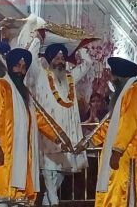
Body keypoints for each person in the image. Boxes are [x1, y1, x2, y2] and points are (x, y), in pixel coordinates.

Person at [0, 48, 71, 207]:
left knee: (19, 201)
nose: (21, 70)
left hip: (22, 156)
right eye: (17, 66)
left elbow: (40, 119)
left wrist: (60, 135)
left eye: (24, 66)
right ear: (10, 66)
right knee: (0, 199)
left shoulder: (26, 95)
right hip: (3, 154)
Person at [22, 28, 94, 206]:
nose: (60, 61)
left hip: (68, 132)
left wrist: (80, 46)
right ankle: (53, 200)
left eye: (63, 58)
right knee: (48, 166)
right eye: (57, 58)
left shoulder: (70, 77)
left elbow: (87, 64)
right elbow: (31, 60)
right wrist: (37, 40)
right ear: (49, 60)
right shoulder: (40, 75)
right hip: (49, 130)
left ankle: (48, 201)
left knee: (62, 169)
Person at [76, 56, 137, 207]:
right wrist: (89, 141)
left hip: (128, 157)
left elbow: (130, 123)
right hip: (121, 156)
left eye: (112, 76)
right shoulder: (124, 94)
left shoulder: (135, 91)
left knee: (126, 197)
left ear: (119, 77)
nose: (110, 80)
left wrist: (117, 151)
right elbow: (111, 126)